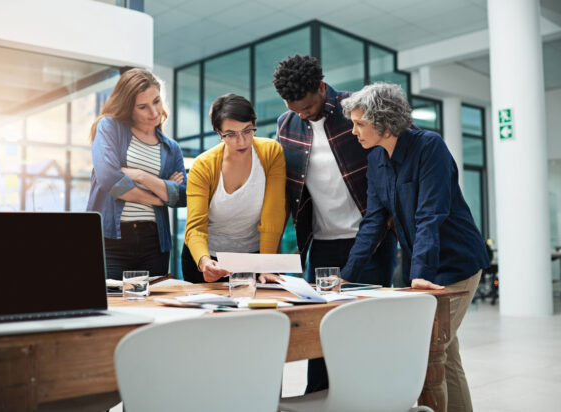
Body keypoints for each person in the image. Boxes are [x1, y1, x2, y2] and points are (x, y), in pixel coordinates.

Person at [340, 82, 489, 412]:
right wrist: (345, 277)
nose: (353, 132)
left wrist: (419, 274)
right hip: (424, 267)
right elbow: (374, 223)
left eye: (359, 124)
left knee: (427, 350)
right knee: (445, 355)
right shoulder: (377, 160)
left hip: (456, 263)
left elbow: (430, 216)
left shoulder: (429, 147)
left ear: (385, 121)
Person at [273, 54, 397, 393]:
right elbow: (288, 191)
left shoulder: (356, 111)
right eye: (295, 109)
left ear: (321, 87)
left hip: (373, 239)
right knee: (321, 333)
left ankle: (372, 399)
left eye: (309, 107)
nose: (303, 115)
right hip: (324, 244)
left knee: (367, 331)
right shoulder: (286, 125)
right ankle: (321, 400)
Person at [87, 68, 187, 280]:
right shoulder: (109, 128)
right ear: (129, 108)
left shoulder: (172, 149)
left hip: (154, 241)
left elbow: (182, 196)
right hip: (111, 239)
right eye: (143, 107)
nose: (154, 112)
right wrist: (160, 195)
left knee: (153, 303)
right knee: (110, 303)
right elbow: (110, 180)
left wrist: (141, 176)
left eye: (157, 101)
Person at [182, 94, 286, 283]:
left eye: (247, 131)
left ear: (254, 122)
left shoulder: (271, 152)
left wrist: (267, 265)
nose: (242, 141)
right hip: (209, 259)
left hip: (255, 258)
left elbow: (273, 215)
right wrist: (204, 261)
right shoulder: (203, 166)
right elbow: (195, 227)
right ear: (218, 132)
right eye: (231, 134)